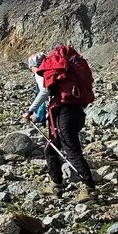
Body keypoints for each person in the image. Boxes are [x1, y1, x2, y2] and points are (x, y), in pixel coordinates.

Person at [22, 51, 97, 201]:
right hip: (75, 113)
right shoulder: (62, 71)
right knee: (50, 148)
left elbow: (45, 91)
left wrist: (30, 111)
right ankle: (56, 185)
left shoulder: (43, 73)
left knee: (71, 150)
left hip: (63, 114)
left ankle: (90, 189)